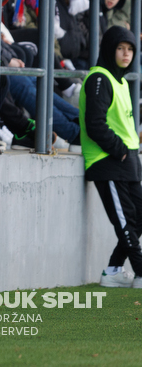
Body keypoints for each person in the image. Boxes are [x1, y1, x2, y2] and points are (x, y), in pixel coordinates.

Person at [82, 25, 142, 288]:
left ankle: (114, 270)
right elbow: (95, 123)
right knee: (125, 220)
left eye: (130, 49)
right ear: (110, 49)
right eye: (120, 48)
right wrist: (119, 151)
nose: (126, 54)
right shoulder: (99, 78)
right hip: (106, 161)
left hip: (127, 161)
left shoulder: (121, 81)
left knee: (137, 217)